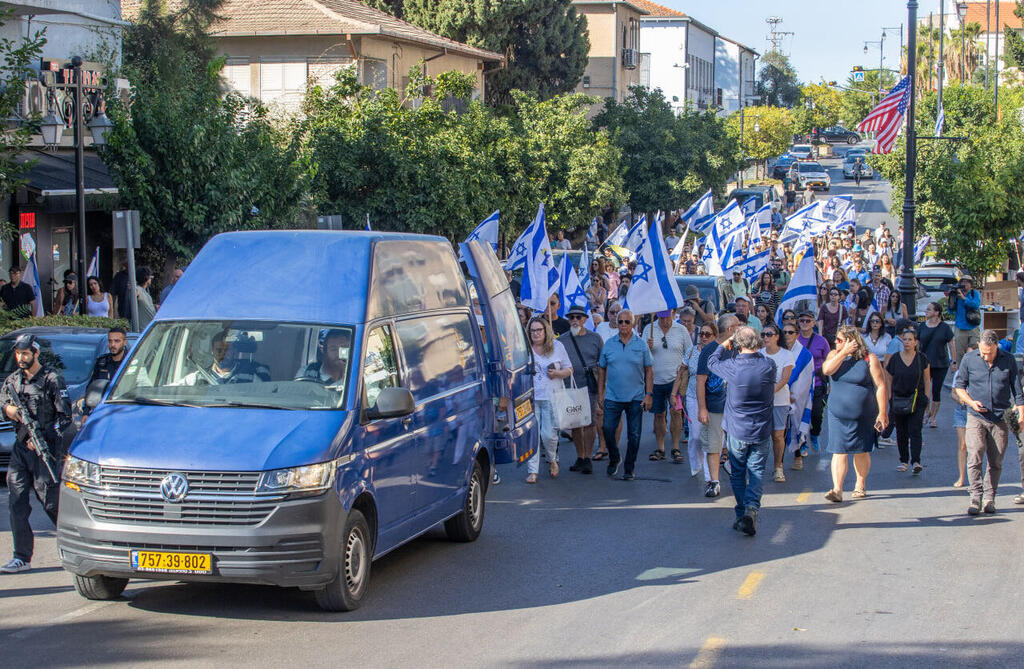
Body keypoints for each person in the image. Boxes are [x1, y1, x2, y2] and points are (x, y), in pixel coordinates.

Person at [0, 334, 72, 573]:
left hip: (45, 452)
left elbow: (64, 419)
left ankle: (71, 547)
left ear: (36, 353)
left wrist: (42, 437)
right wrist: (10, 410)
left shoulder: (52, 379)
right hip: (21, 450)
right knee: (16, 501)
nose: (21, 358)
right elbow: (3, 406)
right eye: (18, 353)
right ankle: (21, 556)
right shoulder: (12, 381)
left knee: (52, 503)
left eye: (26, 353)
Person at [706, 326, 776, 536]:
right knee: (756, 471)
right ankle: (751, 508)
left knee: (738, 473)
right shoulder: (768, 365)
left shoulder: (732, 365)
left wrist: (723, 345)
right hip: (761, 428)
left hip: (737, 429)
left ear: (737, 344)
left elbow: (711, 362)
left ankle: (742, 513)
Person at [953, 329, 1024, 515]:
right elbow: (959, 386)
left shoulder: (1007, 360)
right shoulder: (970, 360)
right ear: (979, 347)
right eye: (983, 352)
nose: (986, 356)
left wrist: (1021, 415)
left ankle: (989, 498)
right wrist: (970, 402)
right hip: (976, 416)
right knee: (975, 454)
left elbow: (1018, 392)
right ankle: (975, 497)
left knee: (996, 461)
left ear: (996, 347)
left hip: (1000, 418)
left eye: (989, 353)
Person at [822, 326, 889, 503]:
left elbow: (881, 386)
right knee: (838, 450)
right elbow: (827, 370)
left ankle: (860, 483)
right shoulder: (834, 356)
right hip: (838, 414)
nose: (836, 343)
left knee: (861, 450)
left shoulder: (869, 358)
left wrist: (882, 412)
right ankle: (837, 489)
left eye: (840, 340)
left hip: (863, 415)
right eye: (836, 340)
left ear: (852, 341)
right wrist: (843, 353)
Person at [597, 309, 652, 481]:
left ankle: (629, 467)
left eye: (627, 322)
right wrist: (601, 393)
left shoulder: (641, 344)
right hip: (612, 396)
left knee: (634, 435)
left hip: (635, 396)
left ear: (633, 324)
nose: (623, 325)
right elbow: (601, 369)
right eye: (620, 321)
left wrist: (648, 394)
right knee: (607, 429)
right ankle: (615, 458)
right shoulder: (609, 344)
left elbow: (649, 370)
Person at [525, 317, 572, 483]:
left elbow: (569, 369)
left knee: (548, 435)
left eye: (539, 330)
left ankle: (552, 459)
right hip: (531, 398)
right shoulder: (525, 349)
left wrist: (557, 374)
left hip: (552, 397)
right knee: (532, 435)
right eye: (533, 331)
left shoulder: (557, 347)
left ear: (546, 331)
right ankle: (533, 471)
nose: (536, 333)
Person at [697, 314, 739, 497]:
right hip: (714, 406)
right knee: (713, 445)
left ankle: (736, 473)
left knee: (737, 444)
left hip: (735, 407)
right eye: (737, 326)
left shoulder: (739, 350)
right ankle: (714, 481)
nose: (740, 329)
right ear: (730, 329)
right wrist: (702, 408)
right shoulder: (709, 351)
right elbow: (700, 381)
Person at [559, 305, 603, 476]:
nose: (575, 320)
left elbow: (603, 365)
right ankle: (580, 456)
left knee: (590, 423)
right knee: (575, 423)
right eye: (572, 317)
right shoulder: (562, 340)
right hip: (570, 387)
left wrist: (602, 391)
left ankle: (588, 457)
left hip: (590, 386)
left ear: (585, 319)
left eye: (579, 317)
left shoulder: (595, 338)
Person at [642, 310, 689, 463]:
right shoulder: (649, 329)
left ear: (673, 314)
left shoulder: (681, 330)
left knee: (676, 412)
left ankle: (675, 447)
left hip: (675, 380)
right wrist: (647, 347)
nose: (664, 321)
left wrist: (684, 374)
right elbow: (642, 356)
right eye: (661, 318)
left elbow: (689, 352)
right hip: (655, 381)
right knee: (659, 415)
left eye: (667, 317)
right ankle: (660, 448)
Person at [674, 321, 716, 480]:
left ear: (714, 336)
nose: (703, 337)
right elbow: (681, 372)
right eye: (701, 334)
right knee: (695, 435)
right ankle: (695, 463)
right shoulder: (691, 351)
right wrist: (674, 393)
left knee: (710, 436)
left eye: (707, 334)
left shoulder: (718, 352)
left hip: (712, 398)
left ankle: (709, 470)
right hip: (692, 397)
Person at [886, 328, 931, 474]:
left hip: (917, 399)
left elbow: (926, 379)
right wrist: (889, 398)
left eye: (910, 339)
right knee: (901, 431)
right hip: (899, 399)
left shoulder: (921, 358)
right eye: (904, 339)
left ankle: (916, 461)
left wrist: (927, 398)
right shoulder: (895, 359)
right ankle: (903, 460)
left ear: (916, 342)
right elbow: (888, 378)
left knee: (915, 430)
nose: (907, 342)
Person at [761, 324, 794, 483]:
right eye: (764, 334)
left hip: (780, 401)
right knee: (760, 435)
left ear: (776, 337)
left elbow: (785, 378)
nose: (765, 337)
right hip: (760, 402)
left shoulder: (786, 355)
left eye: (769, 334)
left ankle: (778, 467)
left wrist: (770, 391)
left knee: (778, 435)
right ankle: (756, 467)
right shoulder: (759, 354)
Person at [181, 330, 272, 385]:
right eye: (218, 350)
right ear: (212, 351)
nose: (223, 354)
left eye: (227, 350)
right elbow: (172, 391)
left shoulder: (251, 376)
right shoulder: (197, 378)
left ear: (235, 352)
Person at [918, 302, 956, 428]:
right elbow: (917, 344)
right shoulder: (922, 326)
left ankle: (933, 417)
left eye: (929, 309)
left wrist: (954, 362)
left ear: (937, 312)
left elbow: (951, 344)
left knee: (936, 390)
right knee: (924, 390)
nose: (926, 311)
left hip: (940, 363)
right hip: (924, 363)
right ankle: (927, 412)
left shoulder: (944, 327)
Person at [797, 311, 830, 454]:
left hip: (817, 382)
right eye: (802, 320)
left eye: (808, 321)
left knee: (816, 414)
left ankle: (815, 434)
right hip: (799, 383)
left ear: (813, 323)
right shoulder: (794, 339)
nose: (804, 323)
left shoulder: (821, 341)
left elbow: (829, 361)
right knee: (800, 415)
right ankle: (802, 441)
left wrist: (829, 383)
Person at [948, 275, 982, 364]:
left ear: (971, 284)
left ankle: (973, 368)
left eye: (967, 282)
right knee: (959, 352)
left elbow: (975, 305)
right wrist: (952, 296)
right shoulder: (957, 294)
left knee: (974, 348)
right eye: (963, 282)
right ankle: (960, 371)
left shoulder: (974, 293)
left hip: (973, 326)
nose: (964, 284)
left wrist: (964, 298)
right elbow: (951, 309)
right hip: (960, 326)